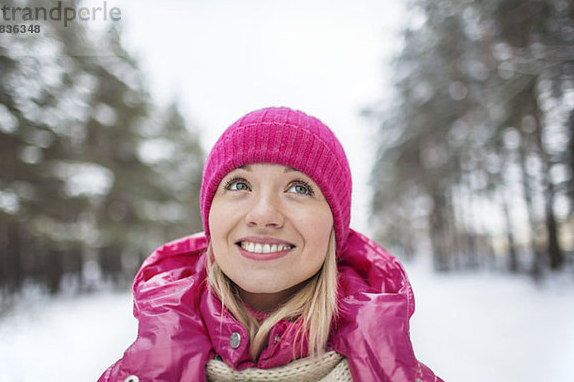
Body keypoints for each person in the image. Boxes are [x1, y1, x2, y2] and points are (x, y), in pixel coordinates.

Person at [99, 107, 443, 382]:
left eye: (299, 188)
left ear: (335, 227)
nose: (263, 215)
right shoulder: (138, 375)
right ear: (210, 217)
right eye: (238, 185)